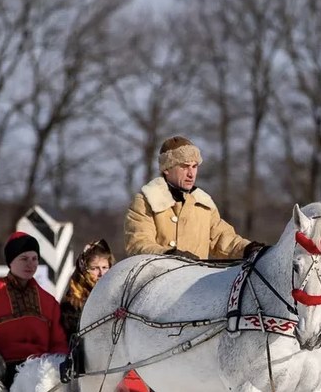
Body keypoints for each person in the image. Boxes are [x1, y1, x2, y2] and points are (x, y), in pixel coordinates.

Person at [0, 231, 69, 390]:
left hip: (40, 374)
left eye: (34, 259)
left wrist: (57, 366)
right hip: (1, 372)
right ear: (11, 261)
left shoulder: (49, 302)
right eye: (24, 259)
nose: (30, 264)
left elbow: (59, 344)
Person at [124, 135, 264, 260]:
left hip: (196, 284)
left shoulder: (204, 204)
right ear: (166, 169)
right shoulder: (146, 201)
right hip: (158, 282)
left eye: (194, 166)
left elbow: (223, 239)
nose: (191, 174)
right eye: (185, 167)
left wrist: (249, 249)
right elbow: (138, 244)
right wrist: (169, 255)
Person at [60, 239, 115, 339]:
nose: (101, 274)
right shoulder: (72, 303)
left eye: (105, 267)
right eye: (94, 268)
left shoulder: (117, 296)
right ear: (83, 270)